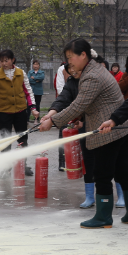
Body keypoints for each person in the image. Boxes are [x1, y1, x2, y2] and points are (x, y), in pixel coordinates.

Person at [39, 38, 128, 229]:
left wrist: (53, 121)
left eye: (71, 57)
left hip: (109, 131)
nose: (69, 62)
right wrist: (58, 115)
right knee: (122, 171)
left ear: (83, 55)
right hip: (120, 127)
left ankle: (103, 217)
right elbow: (79, 101)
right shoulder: (92, 70)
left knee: (102, 174)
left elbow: (79, 104)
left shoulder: (92, 75)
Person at [44, 65, 97, 208]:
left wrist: (53, 121)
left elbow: (79, 106)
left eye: (75, 68)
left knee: (109, 163)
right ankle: (90, 196)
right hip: (85, 126)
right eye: (70, 70)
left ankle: (119, 195)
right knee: (88, 160)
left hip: (103, 124)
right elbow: (62, 99)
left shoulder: (92, 79)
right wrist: (50, 114)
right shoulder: (72, 82)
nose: (73, 72)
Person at [0, 50, 39, 175]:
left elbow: (28, 91)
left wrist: (32, 108)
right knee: (5, 140)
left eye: (7, 60)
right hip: (4, 112)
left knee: (23, 139)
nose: (4, 63)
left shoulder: (21, 73)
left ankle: (23, 165)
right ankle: (6, 167)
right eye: (2, 61)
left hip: (20, 111)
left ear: (12, 60)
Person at [27, 60, 45, 124]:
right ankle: (27, 119)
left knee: (37, 105)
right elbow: (28, 79)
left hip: (38, 91)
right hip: (31, 91)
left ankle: (36, 119)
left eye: (37, 64)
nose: (36, 66)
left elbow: (42, 77)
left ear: (39, 65)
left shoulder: (41, 72)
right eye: (34, 64)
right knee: (29, 105)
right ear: (32, 65)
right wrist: (36, 80)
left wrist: (33, 78)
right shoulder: (30, 72)